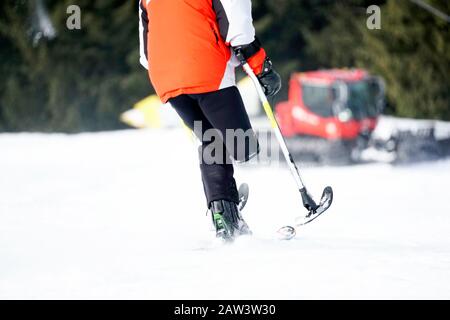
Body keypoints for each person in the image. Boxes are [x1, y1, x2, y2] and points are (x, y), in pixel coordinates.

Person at [139, 0, 281, 241]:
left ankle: (224, 215)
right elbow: (238, 25)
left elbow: (144, 52)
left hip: (166, 79)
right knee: (243, 145)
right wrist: (261, 67)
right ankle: (226, 210)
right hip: (206, 69)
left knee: (210, 140)